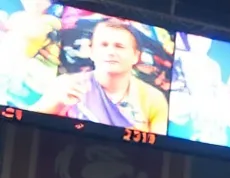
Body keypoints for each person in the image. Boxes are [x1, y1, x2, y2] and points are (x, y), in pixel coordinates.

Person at [34, 17, 169, 133]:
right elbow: (29, 122)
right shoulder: (65, 84)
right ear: (91, 51)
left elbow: (160, 147)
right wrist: (57, 104)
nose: (110, 52)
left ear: (136, 56)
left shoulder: (154, 99)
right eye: (104, 45)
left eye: (119, 46)